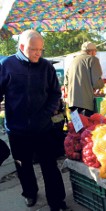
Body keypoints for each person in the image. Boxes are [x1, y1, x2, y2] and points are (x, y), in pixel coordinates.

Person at [0, 29, 70, 211]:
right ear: (22, 47)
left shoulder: (46, 67)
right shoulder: (7, 65)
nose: (38, 53)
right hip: (16, 130)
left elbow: (55, 93)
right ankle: (30, 193)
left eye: (40, 49)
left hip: (43, 128)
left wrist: (46, 113)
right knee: (23, 165)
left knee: (50, 166)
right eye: (33, 49)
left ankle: (57, 203)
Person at [64, 41, 104, 117]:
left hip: (72, 103)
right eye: (95, 51)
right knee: (87, 127)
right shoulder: (93, 59)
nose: (95, 53)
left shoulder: (74, 60)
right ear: (91, 52)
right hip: (85, 103)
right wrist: (101, 84)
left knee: (76, 127)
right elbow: (96, 83)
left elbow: (66, 82)